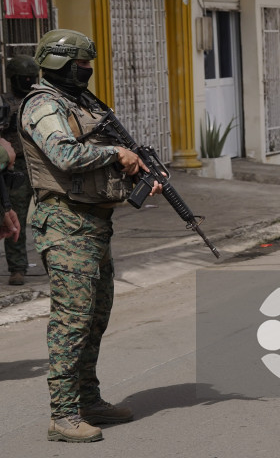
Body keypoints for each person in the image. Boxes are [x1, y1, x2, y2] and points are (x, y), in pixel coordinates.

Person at [19, 29, 162, 443]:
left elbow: (100, 157)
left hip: (94, 225)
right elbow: (64, 154)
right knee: (72, 320)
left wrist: (138, 172)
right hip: (64, 225)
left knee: (96, 317)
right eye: (80, 65)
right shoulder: (44, 104)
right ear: (59, 63)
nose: (86, 71)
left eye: (88, 65)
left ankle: (88, 398)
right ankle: (62, 414)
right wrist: (118, 154)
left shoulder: (82, 103)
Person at [1, 55, 39, 285]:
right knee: (16, 218)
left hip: (41, 164)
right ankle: (17, 268)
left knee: (54, 216)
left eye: (31, 78)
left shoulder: (39, 100)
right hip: (17, 167)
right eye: (23, 78)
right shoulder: (5, 103)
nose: (28, 81)